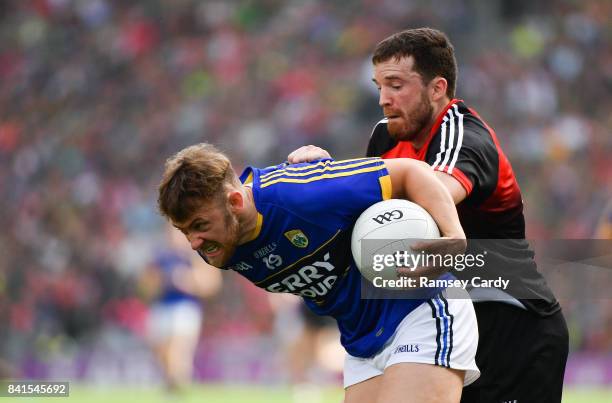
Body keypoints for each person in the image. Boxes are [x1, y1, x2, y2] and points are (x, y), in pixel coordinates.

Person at [288, 28, 569, 403]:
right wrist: (319, 179)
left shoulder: (464, 136)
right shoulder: (386, 137)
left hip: (509, 322)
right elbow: (373, 217)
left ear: (437, 89)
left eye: (396, 85)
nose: (384, 99)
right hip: (436, 323)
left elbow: (429, 200)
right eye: (379, 87)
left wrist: (335, 183)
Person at [157, 143, 479, 403]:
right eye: (184, 231)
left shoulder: (303, 192)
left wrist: (454, 237)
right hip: (361, 341)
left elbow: (411, 172)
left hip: (420, 310)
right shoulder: (217, 247)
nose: (194, 242)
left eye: (199, 226)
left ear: (236, 201)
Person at [140, 223, 222, 392]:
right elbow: (145, 287)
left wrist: (188, 281)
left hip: (185, 307)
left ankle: (179, 385)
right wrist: (158, 283)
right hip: (161, 307)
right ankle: (175, 382)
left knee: (177, 350)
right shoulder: (159, 257)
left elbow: (212, 283)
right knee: (161, 352)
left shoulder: (195, 255)